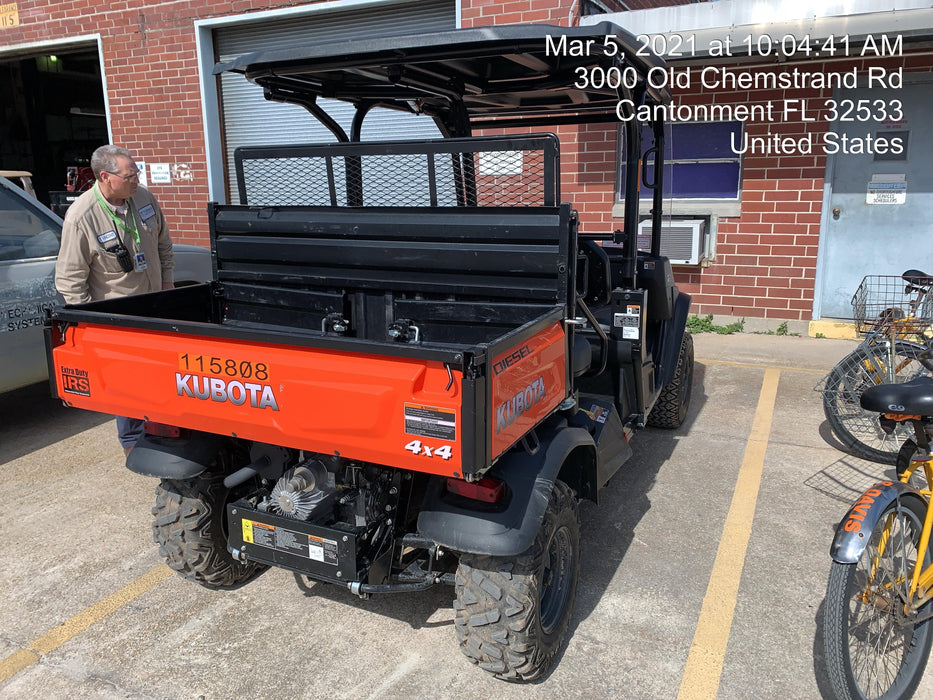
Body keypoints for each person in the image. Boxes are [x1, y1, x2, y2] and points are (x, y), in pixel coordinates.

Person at [55, 144, 175, 455]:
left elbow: (163, 245)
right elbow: (70, 280)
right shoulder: (82, 217)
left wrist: (168, 288)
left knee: (160, 377)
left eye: (138, 172)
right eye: (130, 175)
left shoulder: (144, 197)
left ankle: (168, 434)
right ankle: (134, 446)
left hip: (156, 308)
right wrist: (90, 327)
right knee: (128, 386)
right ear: (106, 177)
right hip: (118, 322)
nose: (137, 179)